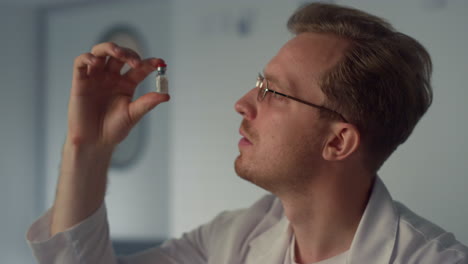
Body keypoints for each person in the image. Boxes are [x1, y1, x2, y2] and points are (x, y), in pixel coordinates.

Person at [27, 3, 468, 264]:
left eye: (273, 91)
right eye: (260, 82)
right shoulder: (234, 238)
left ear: (338, 142)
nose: (243, 103)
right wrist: (88, 145)